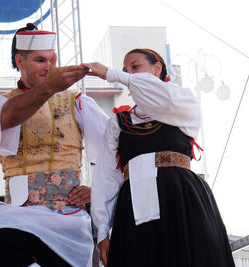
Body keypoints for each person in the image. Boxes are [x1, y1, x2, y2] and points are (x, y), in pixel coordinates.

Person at [87, 48, 235, 267]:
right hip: (134, 206)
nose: (130, 74)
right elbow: (105, 179)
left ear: (157, 69)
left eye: (135, 67)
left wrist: (114, 74)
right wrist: (102, 234)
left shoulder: (182, 104)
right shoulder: (118, 123)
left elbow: (162, 98)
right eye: (126, 70)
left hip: (182, 200)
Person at [0, 23, 108, 267]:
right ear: (20, 61)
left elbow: (115, 152)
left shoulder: (77, 102)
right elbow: (9, 118)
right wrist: (50, 87)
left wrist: (98, 192)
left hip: (70, 221)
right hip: (20, 217)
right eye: (40, 60)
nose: (48, 66)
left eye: (51, 59)